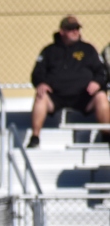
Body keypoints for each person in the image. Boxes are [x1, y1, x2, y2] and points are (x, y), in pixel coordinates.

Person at [27, 15, 109, 149]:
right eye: (71, 29)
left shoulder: (88, 49)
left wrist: (97, 83)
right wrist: (41, 83)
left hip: (84, 96)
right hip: (56, 96)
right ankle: (35, 137)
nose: (75, 31)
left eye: (77, 28)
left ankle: (106, 136)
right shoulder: (49, 51)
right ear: (62, 31)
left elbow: (102, 72)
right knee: (40, 96)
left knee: (101, 96)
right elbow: (37, 73)